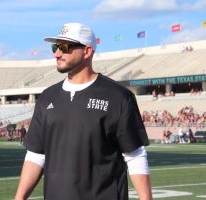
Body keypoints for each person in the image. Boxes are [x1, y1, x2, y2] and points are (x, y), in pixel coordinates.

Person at [14, 23, 152, 200]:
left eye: (65, 47)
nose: (57, 53)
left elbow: (135, 156)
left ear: (87, 51)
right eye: (55, 47)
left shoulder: (119, 97)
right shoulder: (47, 97)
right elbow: (36, 155)